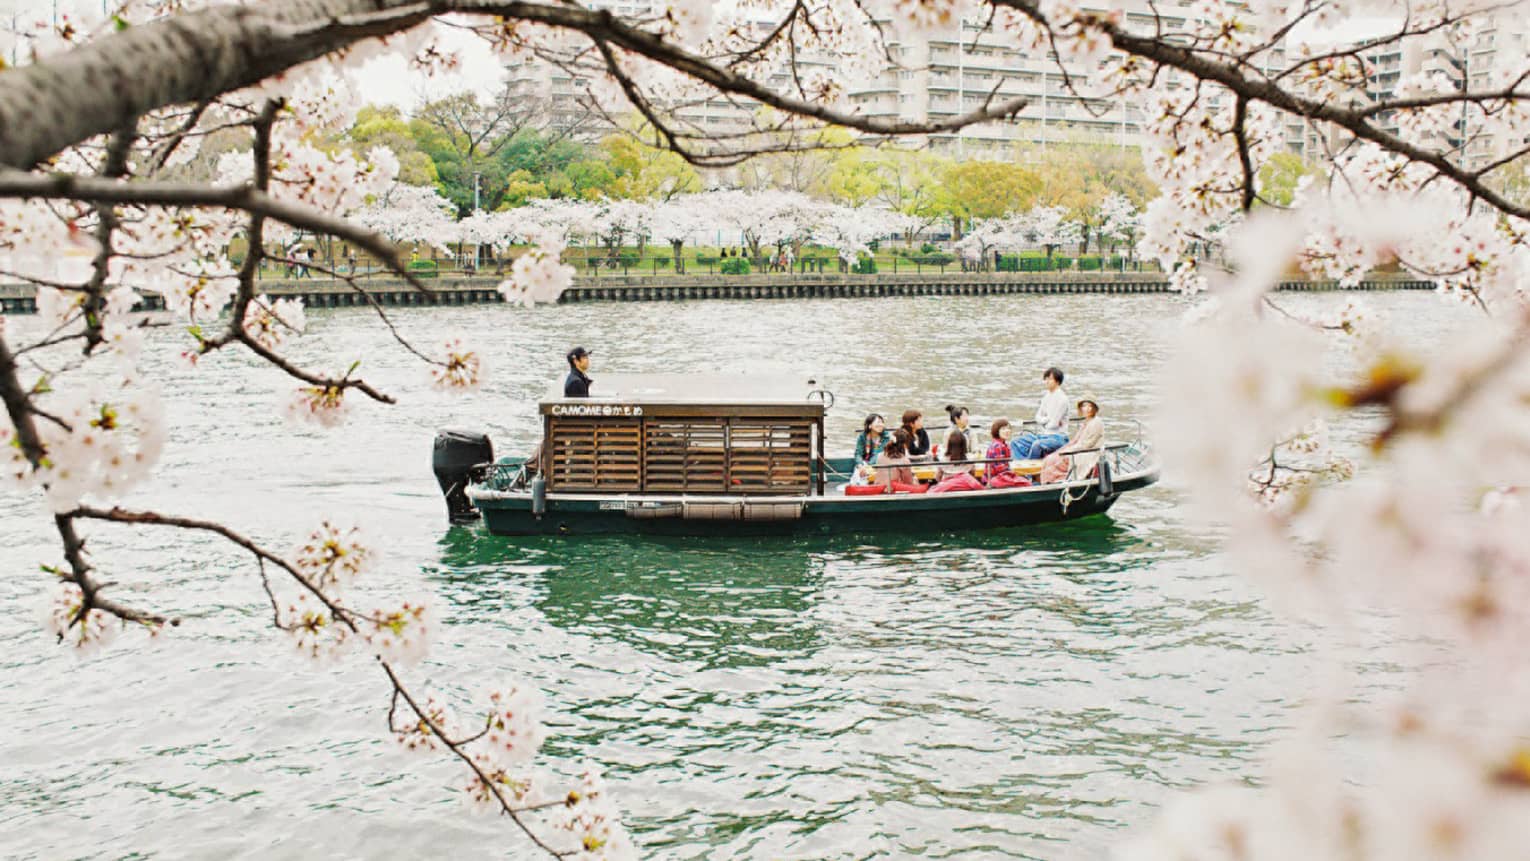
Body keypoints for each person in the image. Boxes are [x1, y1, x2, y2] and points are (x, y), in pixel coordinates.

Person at [1040, 398, 1104, 484]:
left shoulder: (1096, 422)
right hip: (1079, 448)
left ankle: (1058, 480)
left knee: (1058, 460)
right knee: (1049, 458)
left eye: (1090, 406)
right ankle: (1048, 481)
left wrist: (1070, 450)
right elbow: (1075, 440)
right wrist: (1062, 450)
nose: (1087, 408)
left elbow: (1088, 444)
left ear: (1094, 408)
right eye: (1084, 406)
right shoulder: (1086, 422)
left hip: (1088, 452)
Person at [1012, 367, 1071, 460]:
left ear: (1058, 381)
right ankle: (1022, 465)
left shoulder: (1062, 399)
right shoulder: (1046, 397)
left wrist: (1045, 421)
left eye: (1050, 379)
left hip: (1059, 437)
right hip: (1044, 435)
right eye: (1046, 379)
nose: (1047, 381)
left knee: (1037, 444)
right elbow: (1038, 417)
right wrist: (1047, 420)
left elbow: (1053, 425)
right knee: (1015, 441)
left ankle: (1029, 470)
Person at [929, 429, 985, 493]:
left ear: (949, 444)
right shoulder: (969, 459)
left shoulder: (943, 460)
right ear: (964, 445)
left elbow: (938, 477)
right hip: (966, 490)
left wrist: (945, 483)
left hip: (947, 490)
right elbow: (972, 474)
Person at [984, 419, 1032, 488]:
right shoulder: (998, 446)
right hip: (996, 479)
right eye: (1003, 429)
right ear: (997, 431)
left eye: (1008, 428)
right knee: (1027, 483)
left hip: (999, 477)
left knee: (1025, 479)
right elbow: (1001, 469)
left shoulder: (1002, 444)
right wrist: (1016, 474)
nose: (1007, 431)